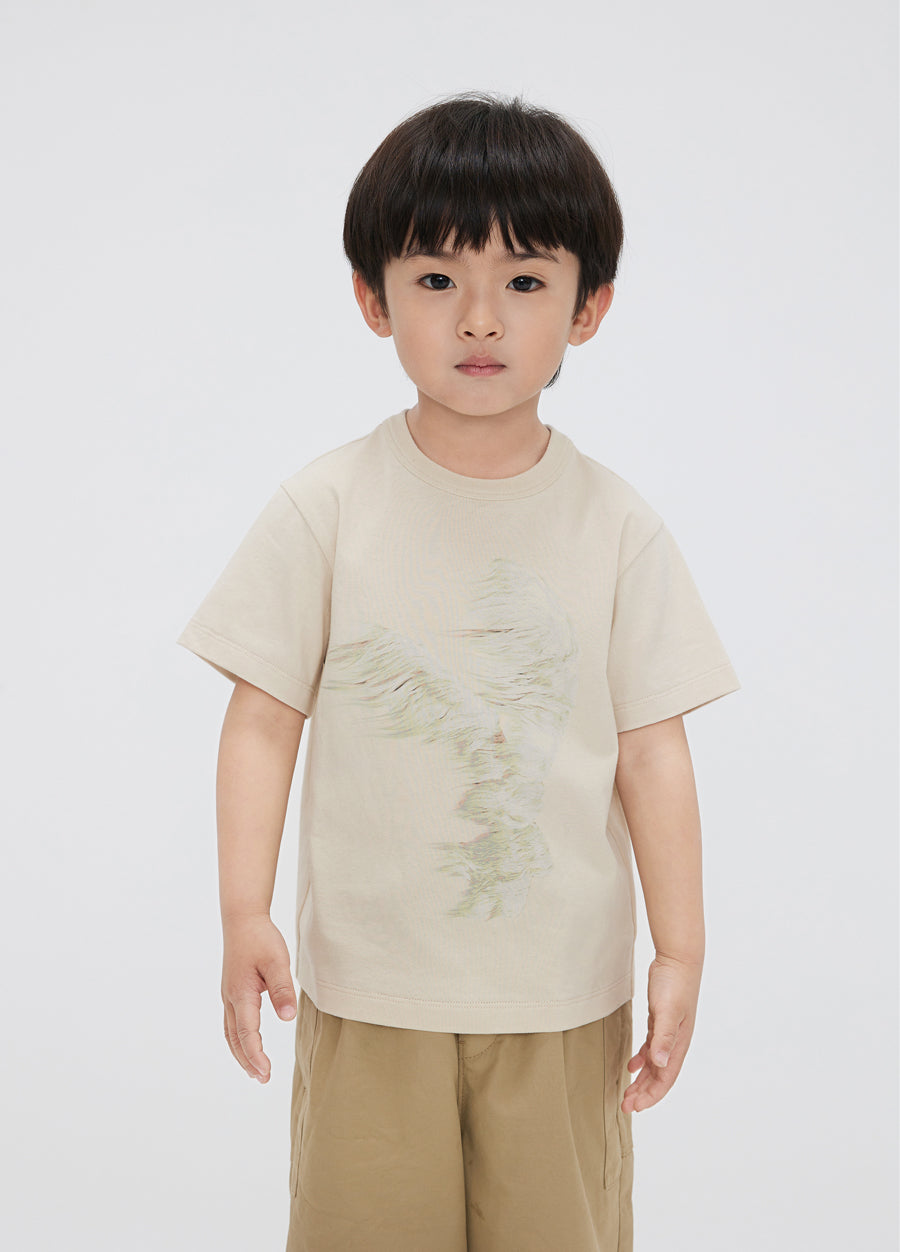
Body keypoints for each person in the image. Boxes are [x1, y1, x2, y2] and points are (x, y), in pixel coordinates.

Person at [176, 90, 741, 1252]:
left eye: (524, 280)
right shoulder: (327, 507)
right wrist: (242, 908)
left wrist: (680, 946)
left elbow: (652, 751)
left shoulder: (617, 527)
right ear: (372, 297)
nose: (479, 317)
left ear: (590, 307)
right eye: (437, 278)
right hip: (369, 990)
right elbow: (262, 718)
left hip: (563, 998)